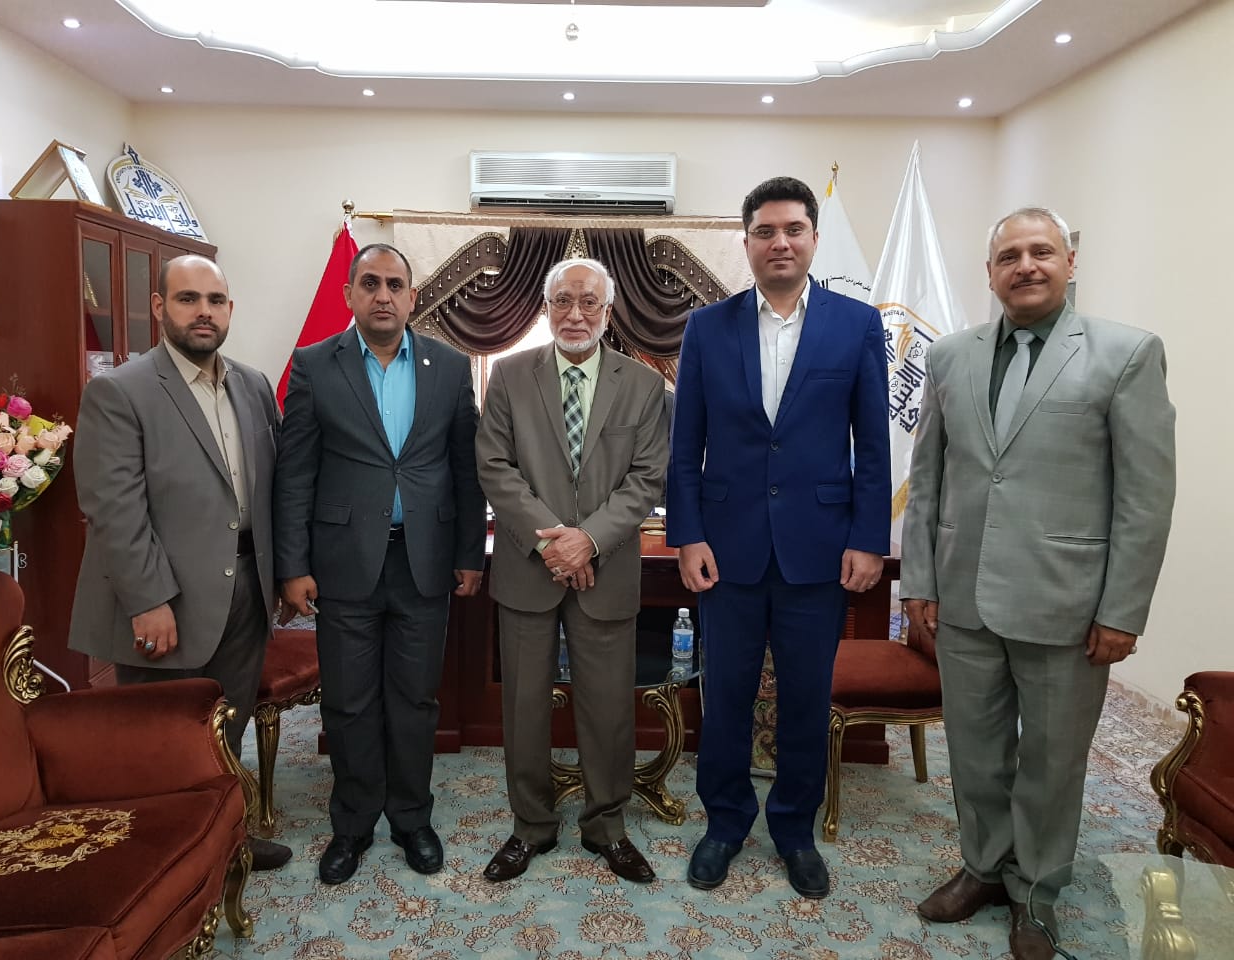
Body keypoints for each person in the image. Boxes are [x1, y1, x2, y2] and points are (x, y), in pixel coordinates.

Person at [900, 207, 1175, 960]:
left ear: (1069, 262)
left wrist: (1123, 608)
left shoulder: (1127, 353)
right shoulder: (950, 356)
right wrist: (918, 580)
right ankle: (983, 868)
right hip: (962, 598)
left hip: (1068, 603)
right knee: (976, 752)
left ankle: (1036, 890)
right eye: (1009, 256)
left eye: (1042, 252)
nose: (1026, 265)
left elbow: (1145, 497)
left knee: (1053, 762)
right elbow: (927, 480)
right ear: (990, 273)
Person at [666, 176, 890, 898]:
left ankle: (795, 830)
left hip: (819, 549)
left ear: (814, 239)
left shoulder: (856, 326)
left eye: (793, 229)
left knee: (804, 700)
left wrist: (868, 538)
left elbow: (873, 446)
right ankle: (725, 824)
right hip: (725, 550)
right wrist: (687, 534)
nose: (780, 242)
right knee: (724, 696)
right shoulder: (707, 326)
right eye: (765, 231)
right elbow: (685, 445)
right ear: (747, 243)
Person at [69, 254, 291, 871]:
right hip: (166, 601)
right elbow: (114, 509)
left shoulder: (252, 385)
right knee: (163, 739)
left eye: (215, 301)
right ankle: (166, 864)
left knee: (229, 724)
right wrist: (148, 600)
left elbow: (271, 488)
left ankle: (226, 839)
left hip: (246, 590)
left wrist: (278, 575)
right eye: (188, 299)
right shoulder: (121, 390)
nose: (203, 312)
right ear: (159, 307)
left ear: (230, 310)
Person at [274, 242, 486, 885]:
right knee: (349, 701)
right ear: (350, 294)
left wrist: (469, 553)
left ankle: (412, 818)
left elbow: (465, 469)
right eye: (370, 283)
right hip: (343, 563)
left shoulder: (450, 366)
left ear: (413, 297)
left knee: (416, 699)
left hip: (425, 560)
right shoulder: (314, 364)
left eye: (395, 284)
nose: (384, 295)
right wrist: (292, 565)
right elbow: (295, 473)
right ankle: (353, 823)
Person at [476, 257, 668, 884]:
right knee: (524, 706)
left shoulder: (644, 386)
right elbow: (494, 466)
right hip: (528, 570)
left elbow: (647, 477)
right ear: (546, 308)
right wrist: (553, 545)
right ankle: (530, 825)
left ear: (608, 312)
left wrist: (588, 541)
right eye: (563, 301)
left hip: (605, 570)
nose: (575, 314)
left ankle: (606, 826)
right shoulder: (509, 375)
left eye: (589, 302)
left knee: (609, 707)